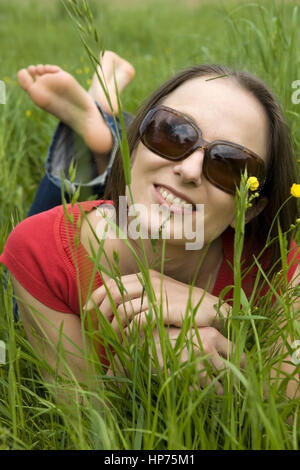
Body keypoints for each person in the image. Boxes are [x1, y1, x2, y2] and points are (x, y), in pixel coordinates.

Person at [1, 51, 299, 399]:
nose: (189, 170)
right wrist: (136, 363)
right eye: (170, 132)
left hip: (146, 198)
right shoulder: (40, 252)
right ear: (137, 143)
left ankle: (104, 119)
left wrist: (226, 317)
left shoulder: (281, 266)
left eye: (228, 164)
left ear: (248, 210)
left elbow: (285, 412)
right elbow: (85, 421)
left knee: (146, 196)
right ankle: (104, 124)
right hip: (58, 261)